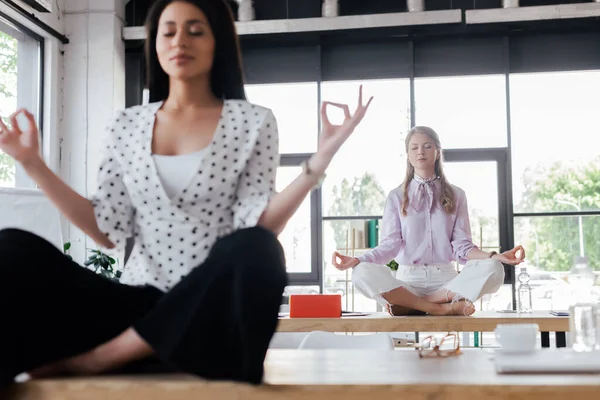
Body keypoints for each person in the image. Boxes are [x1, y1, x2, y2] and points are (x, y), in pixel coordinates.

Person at [0, 0, 372, 387]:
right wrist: (33, 164)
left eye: (195, 30)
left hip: (210, 318)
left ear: (218, 43)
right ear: (155, 44)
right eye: (169, 31)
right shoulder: (126, 125)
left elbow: (260, 224)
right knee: (11, 249)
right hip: (136, 308)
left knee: (259, 248)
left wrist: (322, 157)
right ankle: (143, 349)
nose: (181, 40)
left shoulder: (252, 121)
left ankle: (103, 358)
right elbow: (105, 229)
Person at [332, 126, 525, 316]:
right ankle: (438, 308)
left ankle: (417, 304)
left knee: (495, 269)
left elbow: (462, 247)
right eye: (414, 148)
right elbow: (390, 246)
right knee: (360, 272)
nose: (420, 152)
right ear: (407, 155)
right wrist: (358, 260)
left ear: (438, 152)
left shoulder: (457, 195)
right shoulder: (395, 196)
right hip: (407, 281)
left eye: (427, 146)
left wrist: (494, 256)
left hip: (446, 283)